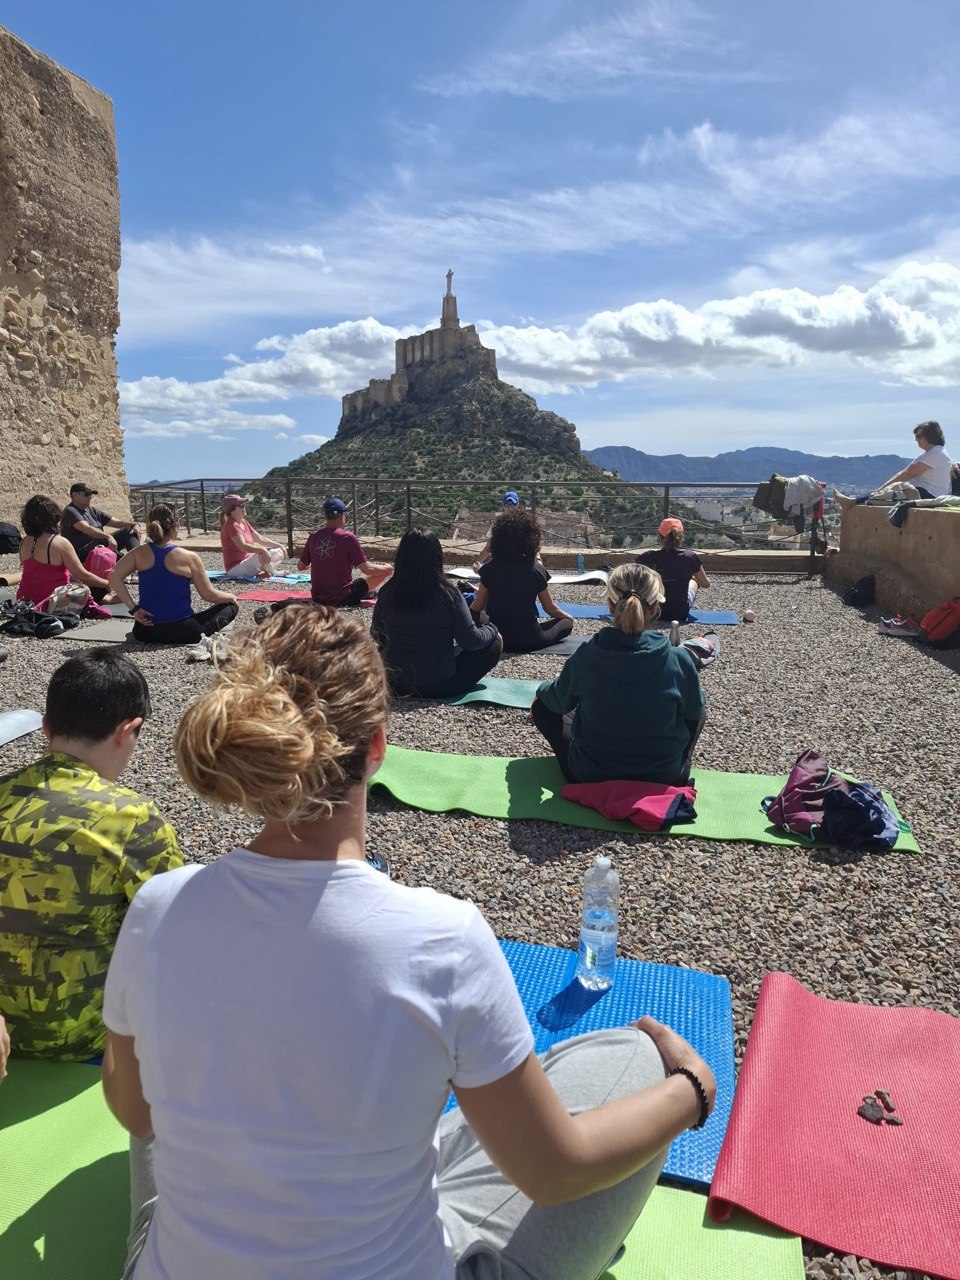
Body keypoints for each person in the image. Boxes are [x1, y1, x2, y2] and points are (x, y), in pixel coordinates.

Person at [101, 605, 716, 1280]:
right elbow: (555, 1171)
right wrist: (691, 1089)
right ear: (378, 746)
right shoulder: (441, 939)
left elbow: (134, 1112)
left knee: (176, 1083)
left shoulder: (157, 909)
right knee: (631, 1057)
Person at [0, 650, 183, 1061]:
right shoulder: (130, 816)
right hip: (83, 1038)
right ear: (128, 730)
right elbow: (178, 926)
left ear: (45, 728)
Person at [532, 563, 707, 785]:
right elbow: (693, 711)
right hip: (663, 776)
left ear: (610, 605)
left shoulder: (586, 656)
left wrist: (543, 688)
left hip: (590, 774)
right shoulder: (678, 660)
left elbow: (554, 701)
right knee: (698, 709)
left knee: (542, 706)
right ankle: (676, 761)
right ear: (654, 608)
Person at [372, 528, 502, 698]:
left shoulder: (387, 591)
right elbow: (471, 640)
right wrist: (492, 630)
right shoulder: (448, 594)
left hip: (395, 683)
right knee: (493, 646)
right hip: (439, 684)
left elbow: (376, 632)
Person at [108, 504, 239, 646]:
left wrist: (134, 609)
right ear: (176, 526)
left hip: (145, 632)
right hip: (184, 632)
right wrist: (231, 597)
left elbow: (113, 576)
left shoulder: (138, 552)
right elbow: (208, 595)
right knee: (230, 606)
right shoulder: (189, 557)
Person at [470, 507, 573, 651]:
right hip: (529, 637)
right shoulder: (536, 569)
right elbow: (549, 608)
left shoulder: (489, 569)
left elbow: (478, 606)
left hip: (497, 635)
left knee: (475, 615)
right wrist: (568, 617)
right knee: (566, 623)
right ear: (530, 539)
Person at [16, 494, 111, 610]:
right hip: (53, 601)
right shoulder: (59, 542)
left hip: (24, 599)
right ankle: (110, 598)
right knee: (88, 588)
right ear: (53, 517)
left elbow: (39, 572)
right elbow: (83, 575)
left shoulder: (23, 542)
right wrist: (108, 583)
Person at [298, 496, 392, 606]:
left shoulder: (314, 536)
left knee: (361, 578)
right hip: (344, 598)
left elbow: (300, 566)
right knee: (384, 571)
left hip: (318, 597)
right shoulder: (347, 538)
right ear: (342, 516)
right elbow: (368, 569)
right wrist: (388, 567)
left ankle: (365, 593)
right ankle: (365, 592)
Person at [835, 421, 954, 508]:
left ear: (930, 436)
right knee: (891, 492)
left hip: (927, 494)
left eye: (918, 436)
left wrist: (882, 489)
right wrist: (882, 489)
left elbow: (908, 474)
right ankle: (854, 501)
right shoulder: (931, 453)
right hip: (923, 492)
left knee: (892, 493)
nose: (916, 440)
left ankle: (854, 502)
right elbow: (905, 472)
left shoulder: (936, 453)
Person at [636, 518, 711, 622]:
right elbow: (706, 584)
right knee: (693, 581)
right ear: (681, 536)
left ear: (659, 536)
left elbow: (631, 577)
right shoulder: (690, 557)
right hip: (680, 613)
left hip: (654, 612)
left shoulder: (647, 557)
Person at [60, 482, 141, 566]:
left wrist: (134, 524)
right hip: (82, 553)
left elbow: (116, 522)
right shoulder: (70, 511)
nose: (89, 496)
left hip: (99, 547)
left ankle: (140, 560)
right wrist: (108, 536)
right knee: (102, 538)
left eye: (90, 494)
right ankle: (123, 563)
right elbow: (87, 529)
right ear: (75, 495)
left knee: (128, 530)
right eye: (86, 494)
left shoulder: (91, 510)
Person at [219, 494, 286, 578]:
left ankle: (266, 570)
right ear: (231, 509)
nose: (244, 507)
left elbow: (260, 539)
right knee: (262, 555)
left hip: (248, 563)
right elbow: (243, 546)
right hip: (235, 569)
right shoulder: (232, 525)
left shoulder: (244, 522)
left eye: (243, 505)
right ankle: (273, 571)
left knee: (279, 551)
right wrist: (262, 550)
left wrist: (280, 546)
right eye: (240, 505)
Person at [473, 489, 523, 571]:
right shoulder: (496, 526)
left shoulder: (524, 525)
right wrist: (476, 563)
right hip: (502, 564)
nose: (510, 508)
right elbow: (487, 548)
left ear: (517, 504)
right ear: (503, 506)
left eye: (512, 505)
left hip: (518, 564)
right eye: (507, 505)